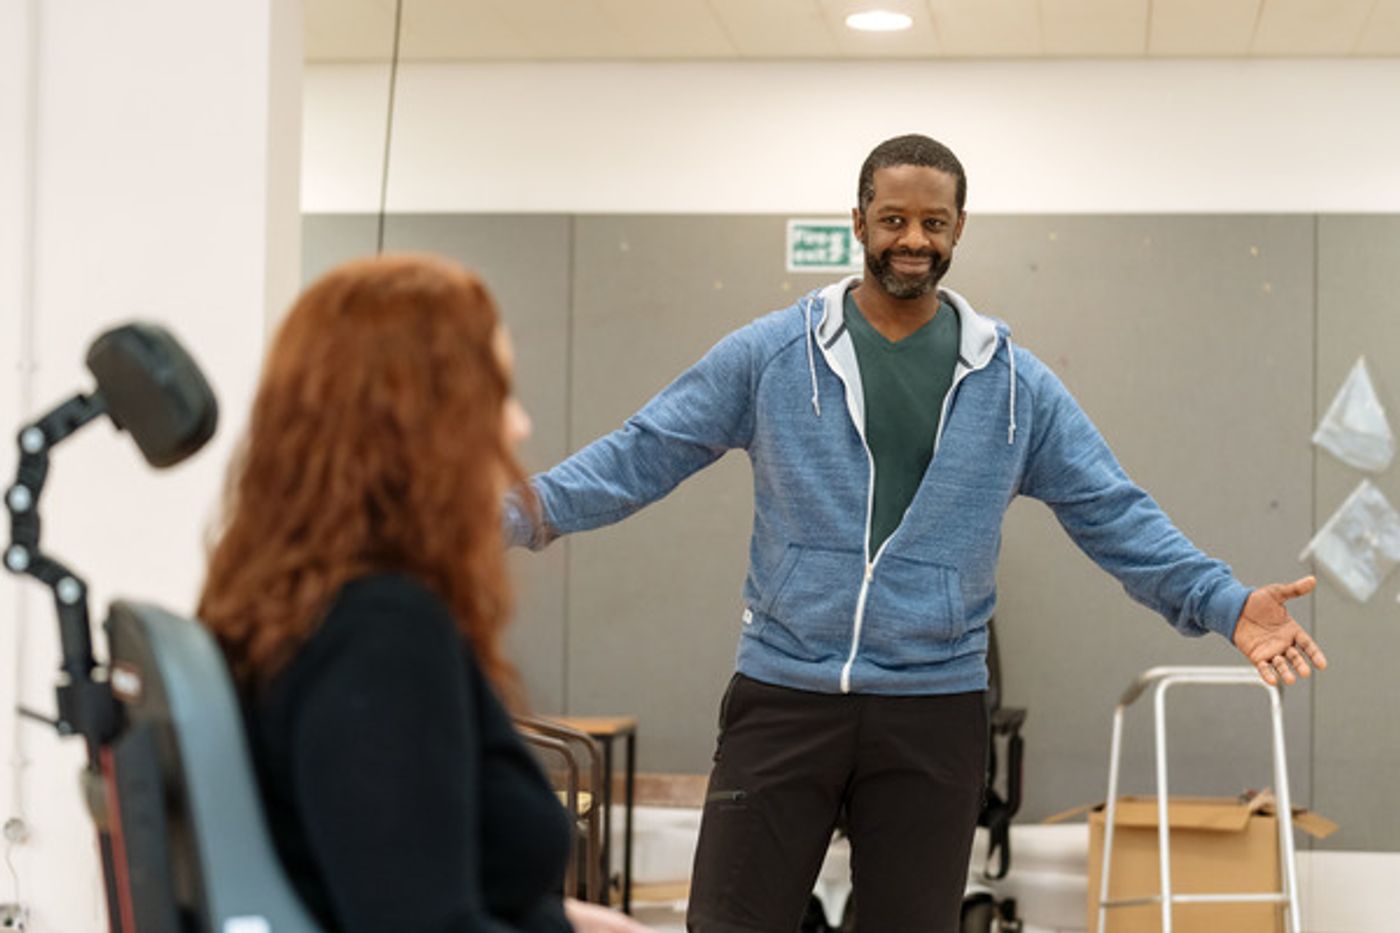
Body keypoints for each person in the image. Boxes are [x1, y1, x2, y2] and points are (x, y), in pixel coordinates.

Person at [504, 134, 1328, 933]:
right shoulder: (772, 355)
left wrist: (1223, 602)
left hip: (934, 709)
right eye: (893, 219)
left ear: (958, 229)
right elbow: (640, 454)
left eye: (934, 222)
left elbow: (1115, 512)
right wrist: (494, 516)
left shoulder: (1014, 384)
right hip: (785, 694)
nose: (913, 240)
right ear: (858, 221)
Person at [199, 254, 648, 933]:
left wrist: (572, 921)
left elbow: (398, 878)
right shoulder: (381, 633)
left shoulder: (294, 604)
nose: (519, 426)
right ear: (420, 422)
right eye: (497, 394)